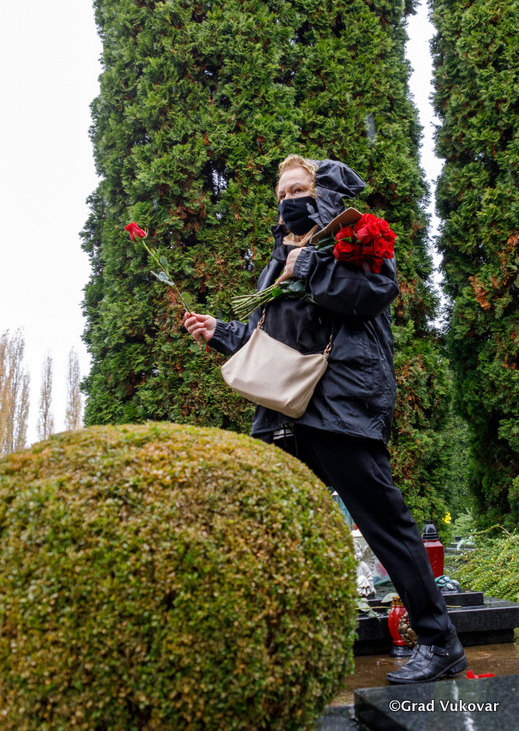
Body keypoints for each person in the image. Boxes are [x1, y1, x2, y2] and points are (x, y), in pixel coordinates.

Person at [184, 155, 467, 684]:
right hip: (284, 410)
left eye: (299, 190)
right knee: (269, 524)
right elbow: (275, 342)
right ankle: (273, 648)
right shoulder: (279, 258)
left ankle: (439, 642)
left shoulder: (355, 239)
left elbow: (372, 295)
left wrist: (313, 267)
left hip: (340, 405)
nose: (289, 201)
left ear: (323, 192)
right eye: (282, 195)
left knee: (385, 526)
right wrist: (221, 332)